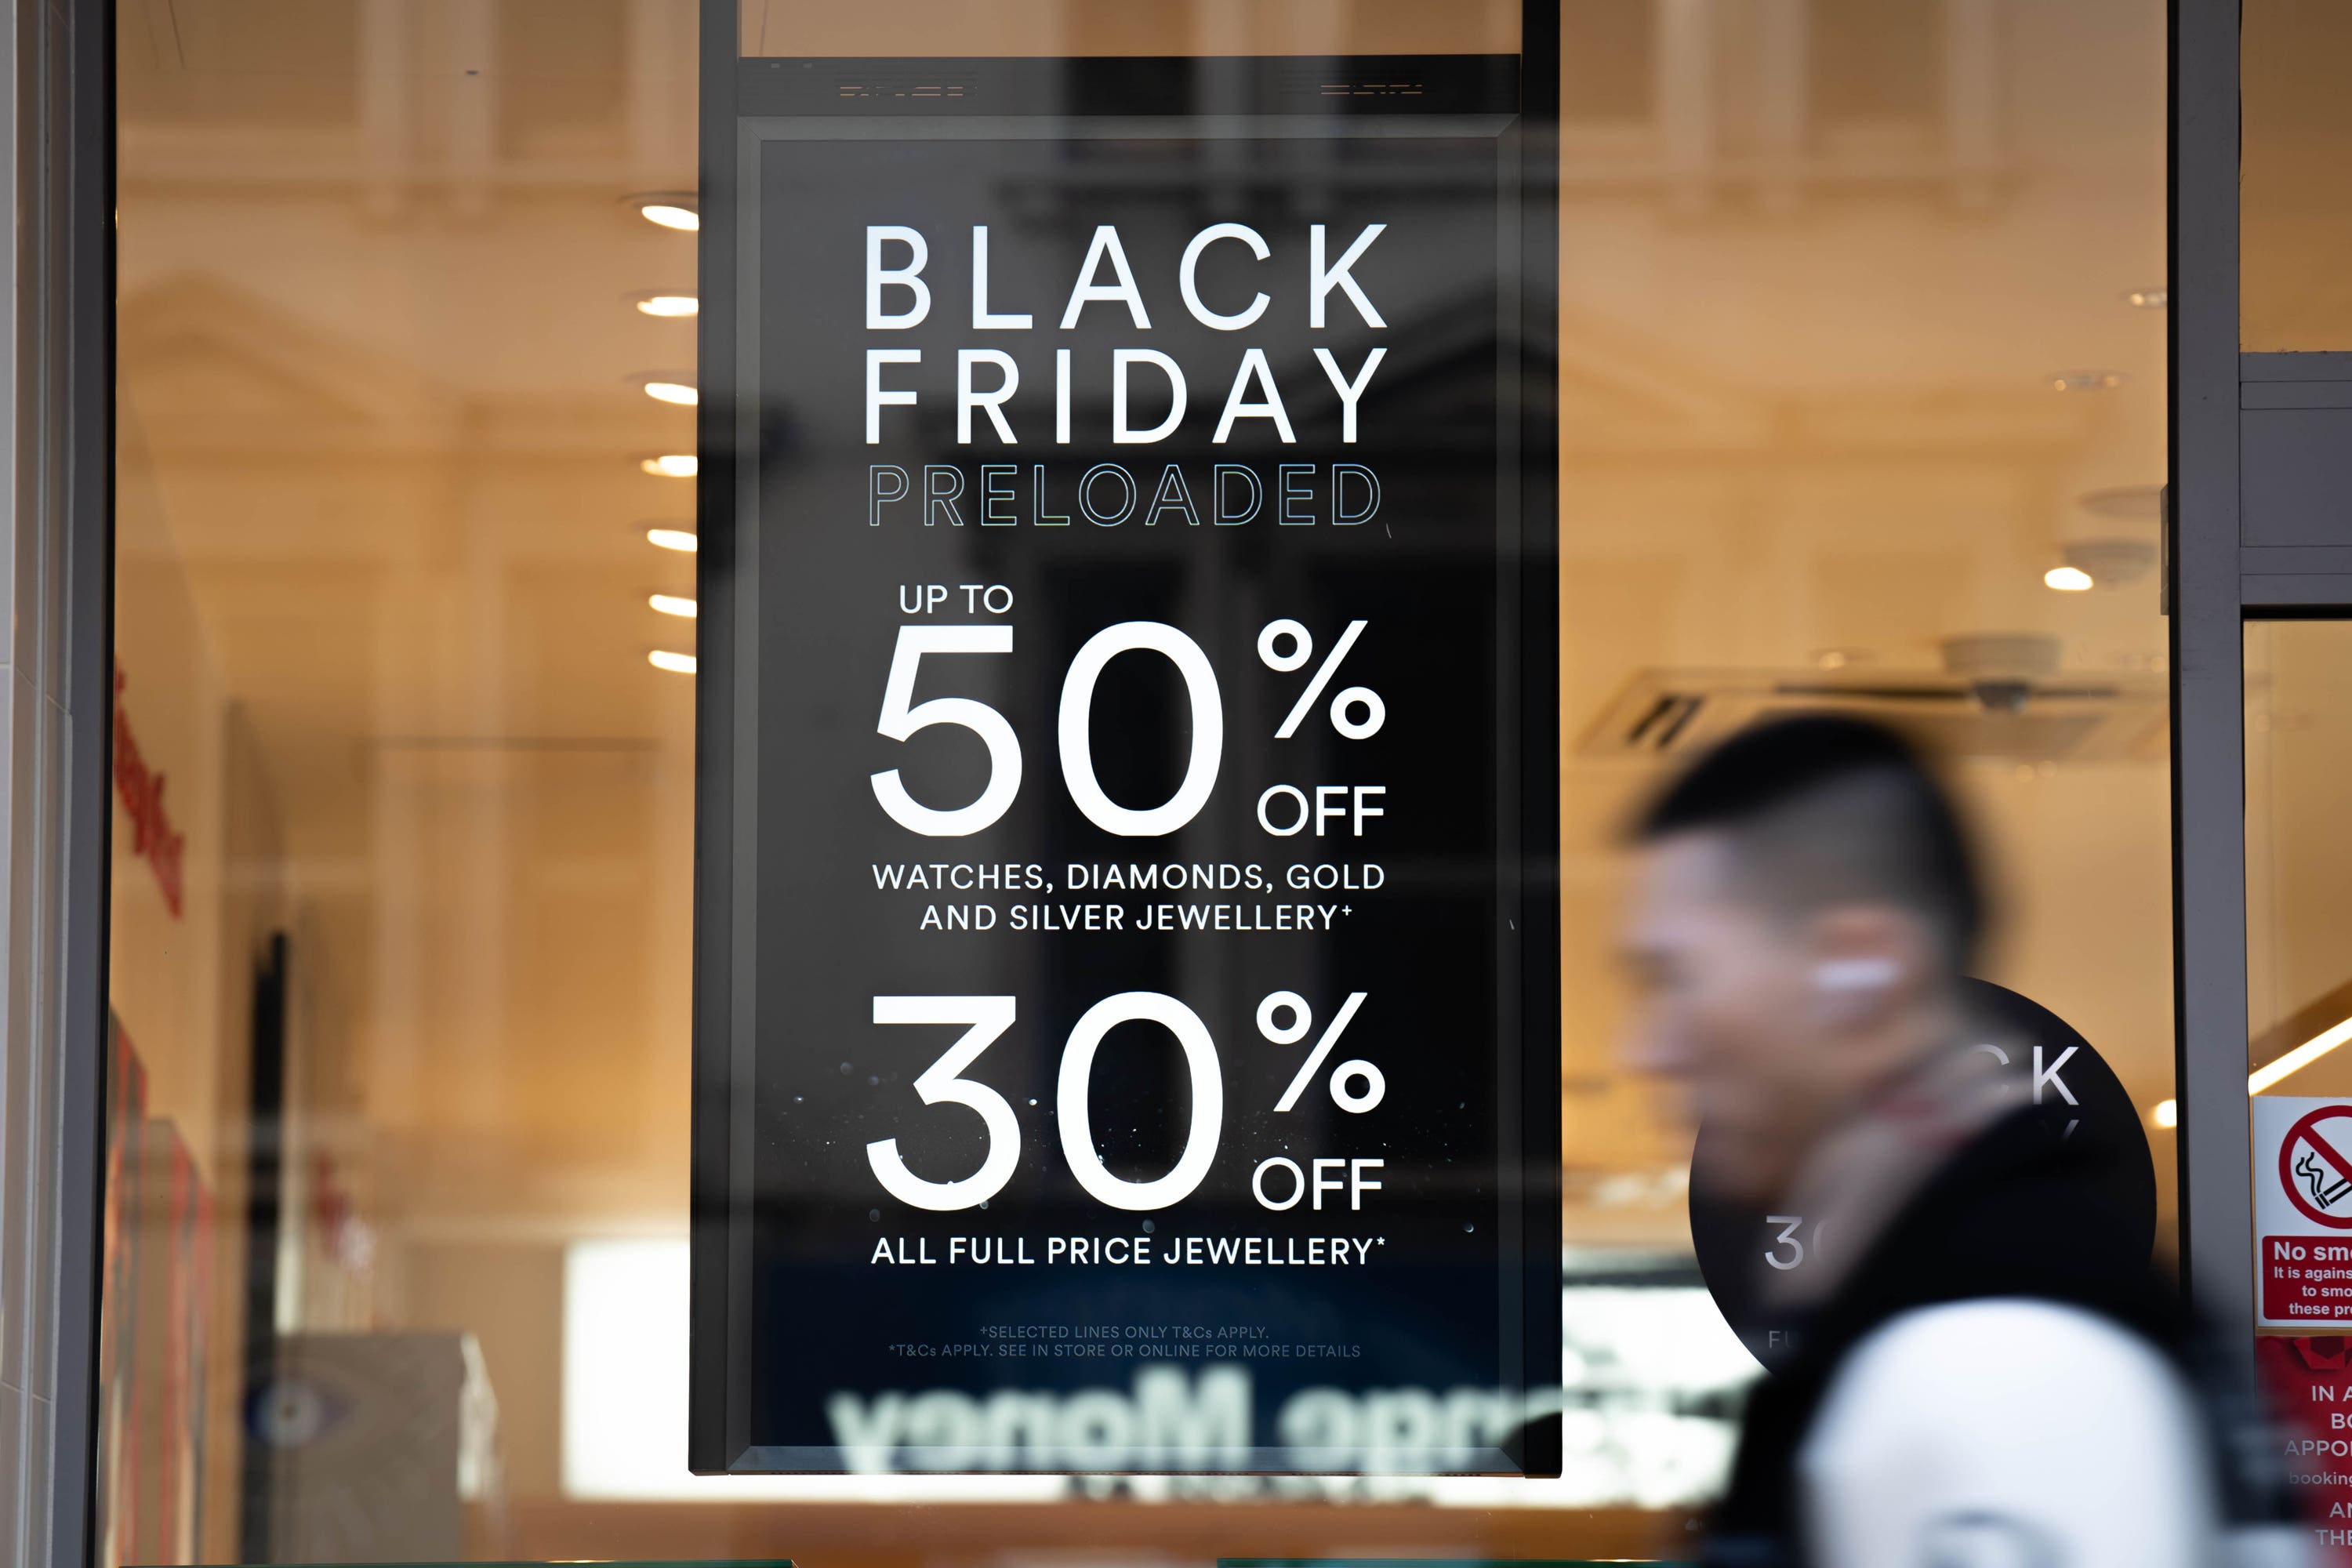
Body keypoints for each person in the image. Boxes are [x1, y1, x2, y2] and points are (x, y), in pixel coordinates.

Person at [1620, 713, 2312, 1568]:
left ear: (1860, 969)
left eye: (1678, 978)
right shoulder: (1989, 1306)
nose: (1647, 1049)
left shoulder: (1998, 1361)